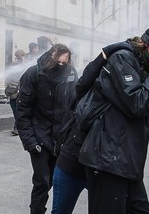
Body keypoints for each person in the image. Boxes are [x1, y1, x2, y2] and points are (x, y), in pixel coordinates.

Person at [77, 23, 149, 214]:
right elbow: (138, 103)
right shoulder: (122, 58)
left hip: (126, 161)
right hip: (107, 160)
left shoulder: (145, 68)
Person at [51, 42, 133, 214]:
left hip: (99, 171)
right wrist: (102, 55)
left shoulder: (125, 100)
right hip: (71, 164)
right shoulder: (89, 95)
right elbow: (82, 83)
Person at [16, 43, 78, 214]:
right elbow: (22, 112)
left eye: (65, 62)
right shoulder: (33, 74)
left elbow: (76, 106)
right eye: (59, 61)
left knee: (59, 181)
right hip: (39, 138)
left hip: (62, 139)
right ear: (52, 56)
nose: (62, 65)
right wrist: (30, 141)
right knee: (42, 182)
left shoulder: (72, 74)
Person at [5, 49, 26, 135]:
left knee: (16, 111)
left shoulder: (13, 65)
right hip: (17, 93)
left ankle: (17, 127)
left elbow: (7, 80)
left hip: (12, 93)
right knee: (18, 112)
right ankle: (17, 128)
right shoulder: (21, 66)